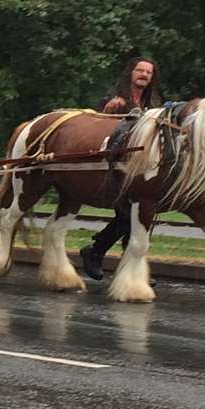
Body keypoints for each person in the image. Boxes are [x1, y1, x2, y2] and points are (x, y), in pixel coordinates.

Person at [77, 56, 164, 280]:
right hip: (114, 165)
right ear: (131, 73)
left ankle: (109, 257)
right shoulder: (115, 98)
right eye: (140, 70)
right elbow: (96, 125)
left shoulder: (153, 104)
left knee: (135, 217)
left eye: (148, 72)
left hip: (140, 167)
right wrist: (107, 109)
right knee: (130, 216)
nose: (144, 75)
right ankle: (102, 254)